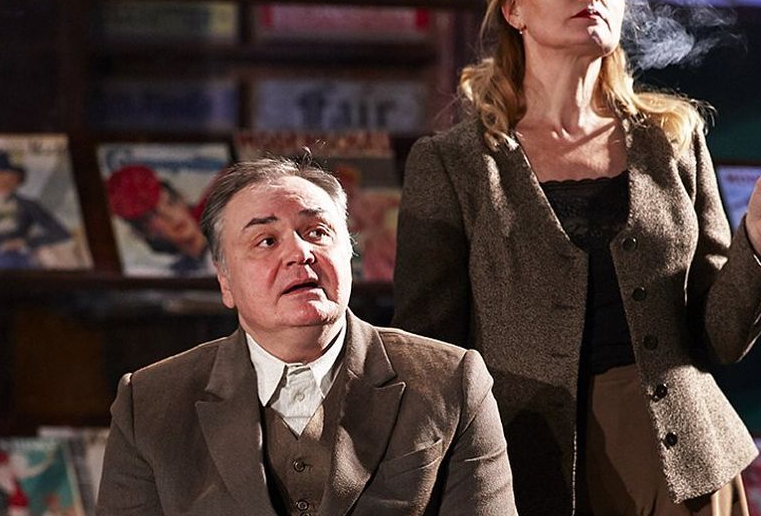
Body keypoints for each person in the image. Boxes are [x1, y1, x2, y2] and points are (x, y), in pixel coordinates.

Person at [391, 0, 761, 514]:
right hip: (524, 464)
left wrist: (759, 240)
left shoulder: (672, 140)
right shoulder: (452, 163)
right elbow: (428, 354)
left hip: (684, 467)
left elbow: (720, 339)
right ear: (514, 11)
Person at [96, 157, 518, 516]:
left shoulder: (451, 381)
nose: (299, 253)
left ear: (349, 252)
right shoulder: (148, 404)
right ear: (225, 280)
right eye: (266, 240)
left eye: (317, 232)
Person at [105, 164, 212, 275]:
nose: (170, 216)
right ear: (143, 232)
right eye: (154, 215)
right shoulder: (176, 274)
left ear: (183, 198)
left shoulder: (219, 239)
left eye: (171, 202)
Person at [0, 152, 71, 269]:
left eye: (11, 177)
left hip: (17, 261)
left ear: (19, 180)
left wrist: (25, 242)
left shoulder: (29, 205)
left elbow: (61, 233)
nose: (4, 181)